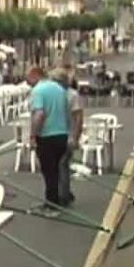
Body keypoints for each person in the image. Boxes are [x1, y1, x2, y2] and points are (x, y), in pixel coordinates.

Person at [28, 65, 71, 208]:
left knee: (48, 171)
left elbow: (39, 114)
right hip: (62, 133)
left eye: (29, 78)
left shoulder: (38, 90)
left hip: (47, 135)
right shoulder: (60, 89)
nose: (28, 82)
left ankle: (51, 203)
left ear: (35, 75)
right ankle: (56, 198)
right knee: (56, 170)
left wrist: (33, 136)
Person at [55, 68, 84, 206]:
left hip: (67, 135)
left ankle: (63, 196)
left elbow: (78, 118)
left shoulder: (72, 95)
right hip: (56, 134)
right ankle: (64, 192)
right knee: (59, 165)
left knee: (62, 164)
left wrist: (75, 137)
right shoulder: (54, 95)